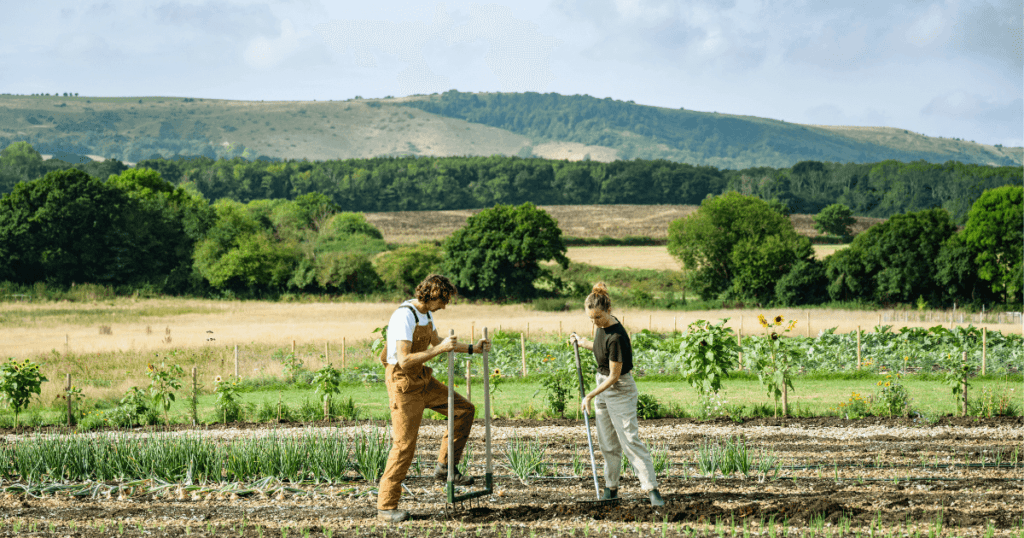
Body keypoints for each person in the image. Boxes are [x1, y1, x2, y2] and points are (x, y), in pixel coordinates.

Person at [376, 274, 491, 523]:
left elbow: (438, 342)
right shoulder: (404, 316)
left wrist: (473, 348)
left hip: (422, 379)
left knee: (464, 410)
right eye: (445, 299)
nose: (446, 305)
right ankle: (386, 506)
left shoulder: (425, 314)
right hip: (403, 383)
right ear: (433, 295)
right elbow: (405, 359)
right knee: (404, 445)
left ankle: (445, 467)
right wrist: (439, 349)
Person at [569, 282, 666, 507]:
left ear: (608, 311)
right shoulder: (601, 328)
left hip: (619, 388)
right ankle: (610, 489)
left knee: (630, 440)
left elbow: (614, 375)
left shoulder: (617, 336)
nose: (595, 322)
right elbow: (598, 347)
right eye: (591, 319)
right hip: (601, 385)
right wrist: (581, 341)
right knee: (607, 443)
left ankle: (652, 490)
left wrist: (589, 396)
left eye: (598, 318)